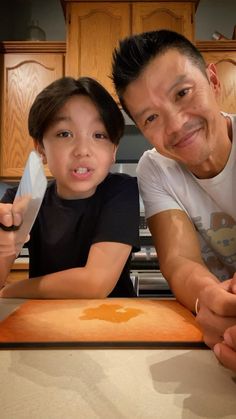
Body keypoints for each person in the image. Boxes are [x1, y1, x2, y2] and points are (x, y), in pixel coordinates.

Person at [111, 29, 236, 372]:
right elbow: (179, 259)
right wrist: (209, 302)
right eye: (151, 118)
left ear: (213, 81)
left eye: (182, 93)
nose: (176, 125)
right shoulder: (156, 167)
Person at [0, 76, 140, 299]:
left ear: (114, 150)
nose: (83, 150)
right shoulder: (22, 199)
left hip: (113, 325)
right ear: (41, 148)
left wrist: (10, 291)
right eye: (64, 134)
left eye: (99, 135)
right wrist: (4, 243)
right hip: (45, 325)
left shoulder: (121, 191)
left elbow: (95, 283)